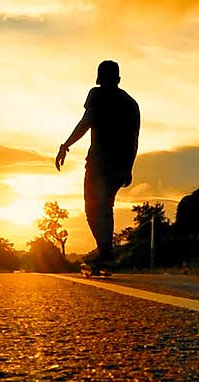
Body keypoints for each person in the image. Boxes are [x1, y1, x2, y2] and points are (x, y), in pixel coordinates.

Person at [55, 60, 140, 270]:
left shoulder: (97, 95)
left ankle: (105, 252)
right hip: (119, 164)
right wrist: (129, 166)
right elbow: (134, 139)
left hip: (99, 163)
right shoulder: (131, 104)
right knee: (105, 208)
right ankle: (106, 253)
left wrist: (65, 145)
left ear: (100, 79)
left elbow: (86, 122)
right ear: (118, 79)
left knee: (94, 209)